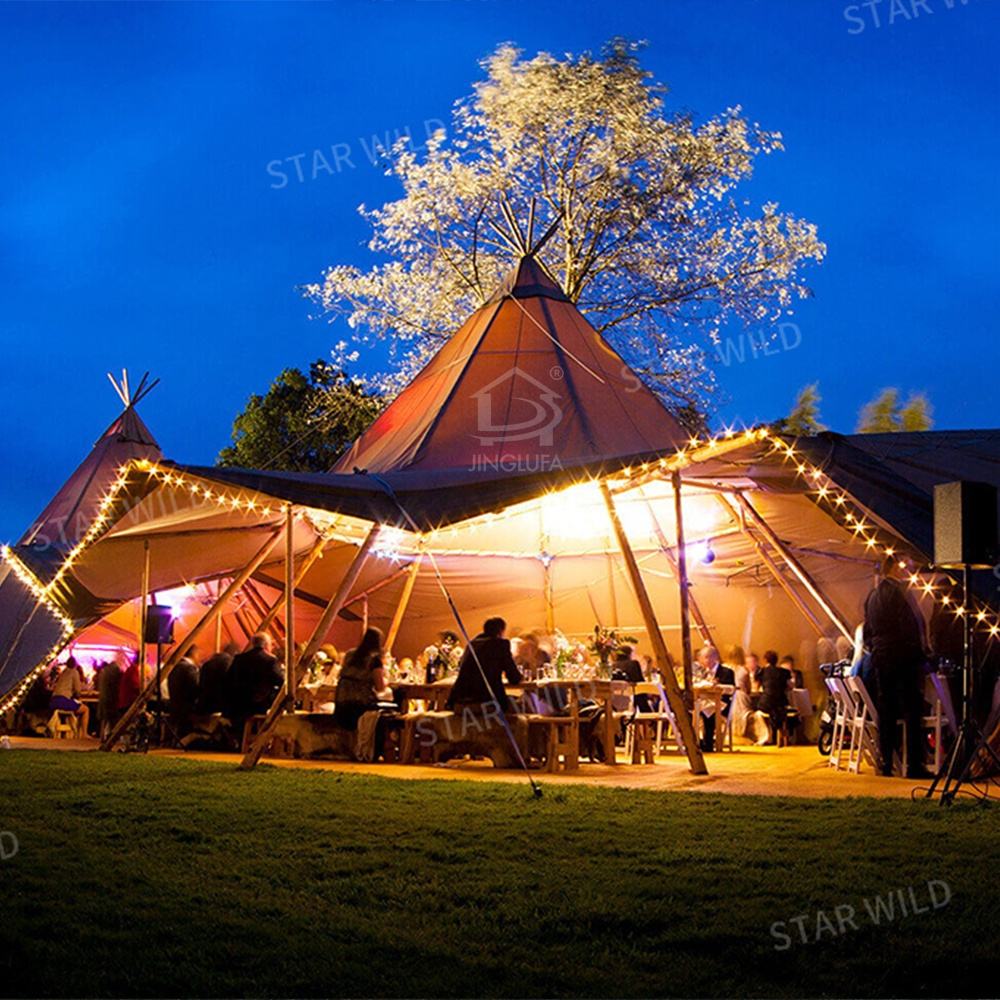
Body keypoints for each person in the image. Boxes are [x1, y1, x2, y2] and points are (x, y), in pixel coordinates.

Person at [863, 576, 927, 778]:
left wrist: (876, 647)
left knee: (886, 710)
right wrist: (920, 654)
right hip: (903, 656)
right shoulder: (901, 594)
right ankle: (914, 764)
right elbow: (911, 625)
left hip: (881, 657)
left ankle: (886, 761)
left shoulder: (872, 596)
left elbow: (867, 631)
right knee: (912, 709)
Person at [447, 617, 522, 714]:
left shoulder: (471, 645)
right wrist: (521, 677)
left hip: (459, 702)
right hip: (485, 702)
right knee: (520, 706)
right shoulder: (500, 644)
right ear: (501, 631)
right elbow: (514, 678)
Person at [333, 627, 391, 730]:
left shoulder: (349, 654)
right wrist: (387, 682)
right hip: (359, 706)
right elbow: (380, 687)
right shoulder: (374, 660)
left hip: (341, 704)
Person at [227, 634, 283, 737]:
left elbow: (229, 679)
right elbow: (280, 681)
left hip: (239, 703)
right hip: (260, 704)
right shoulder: (270, 660)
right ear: (266, 645)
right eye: (271, 645)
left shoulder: (239, 659)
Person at [757, 650, 792, 746]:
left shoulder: (762, 671)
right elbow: (790, 686)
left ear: (765, 660)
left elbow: (757, 687)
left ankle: (767, 735)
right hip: (781, 702)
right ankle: (780, 735)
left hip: (766, 702)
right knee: (778, 712)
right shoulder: (784, 672)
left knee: (757, 713)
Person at [49, 657, 89, 735]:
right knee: (85, 709)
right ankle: (84, 734)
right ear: (75, 664)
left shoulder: (63, 672)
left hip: (53, 700)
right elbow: (78, 690)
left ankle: (75, 733)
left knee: (77, 706)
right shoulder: (74, 672)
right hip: (63, 701)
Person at [167, 645, 201, 737]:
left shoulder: (174, 668)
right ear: (194, 654)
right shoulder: (189, 669)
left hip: (175, 709)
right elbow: (195, 689)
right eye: (198, 654)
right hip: (187, 712)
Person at [198, 643, 238, 715]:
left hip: (205, 705)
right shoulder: (230, 664)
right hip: (220, 707)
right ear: (235, 653)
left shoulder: (207, 663)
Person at [95, 656, 122, 741]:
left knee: (104, 718)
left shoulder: (103, 673)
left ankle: (102, 736)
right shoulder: (114, 671)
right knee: (112, 717)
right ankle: (110, 736)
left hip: (103, 697)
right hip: (111, 698)